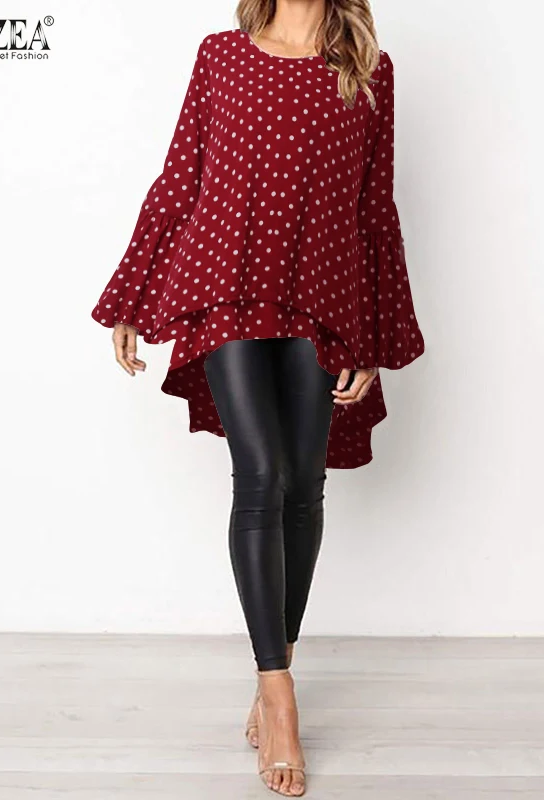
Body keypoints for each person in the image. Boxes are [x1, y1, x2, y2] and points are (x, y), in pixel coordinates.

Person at [90, 0, 425, 795]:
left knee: (304, 485)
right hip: (225, 283)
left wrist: (373, 338)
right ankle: (278, 693)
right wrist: (134, 290)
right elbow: (182, 178)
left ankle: (278, 658)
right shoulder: (221, 55)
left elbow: (374, 207)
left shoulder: (367, 71)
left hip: (322, 291)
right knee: (263, 475)